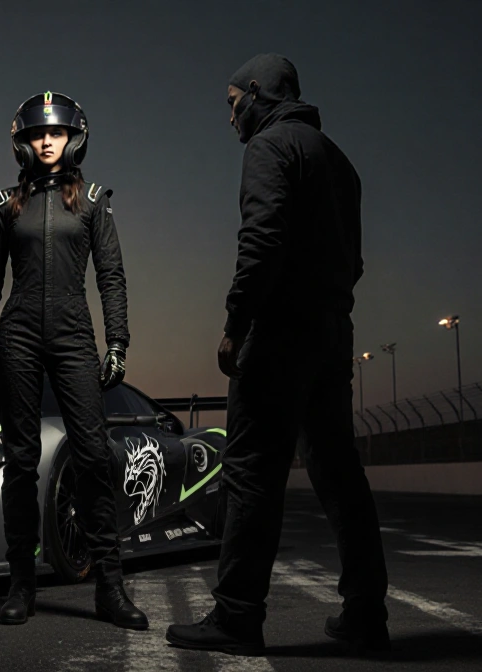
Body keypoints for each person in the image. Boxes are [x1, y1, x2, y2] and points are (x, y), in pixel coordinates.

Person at [165, 54, 390, 655]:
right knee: (340, 473)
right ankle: (367, 614)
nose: (230, 117)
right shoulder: (340, 163)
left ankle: (237, 617)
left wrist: (237, 323)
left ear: (260, 95)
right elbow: (356, 261)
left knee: (250, 472)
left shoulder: (269, 147)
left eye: (233, 102)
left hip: (281, 331)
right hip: (332, 330)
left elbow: (261, 240)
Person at [0, 91, 147, 630]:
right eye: (36, 135)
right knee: (20, 463)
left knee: (93, 455)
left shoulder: (93, 200)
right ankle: (22, 585)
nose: (47, 141)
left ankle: (109, 588)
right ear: (22, 144)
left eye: (58, 133)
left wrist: (118, 340)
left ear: (75, 138)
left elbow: (111, 277)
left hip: (73, 331)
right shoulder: (4, 204)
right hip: (17, 332)